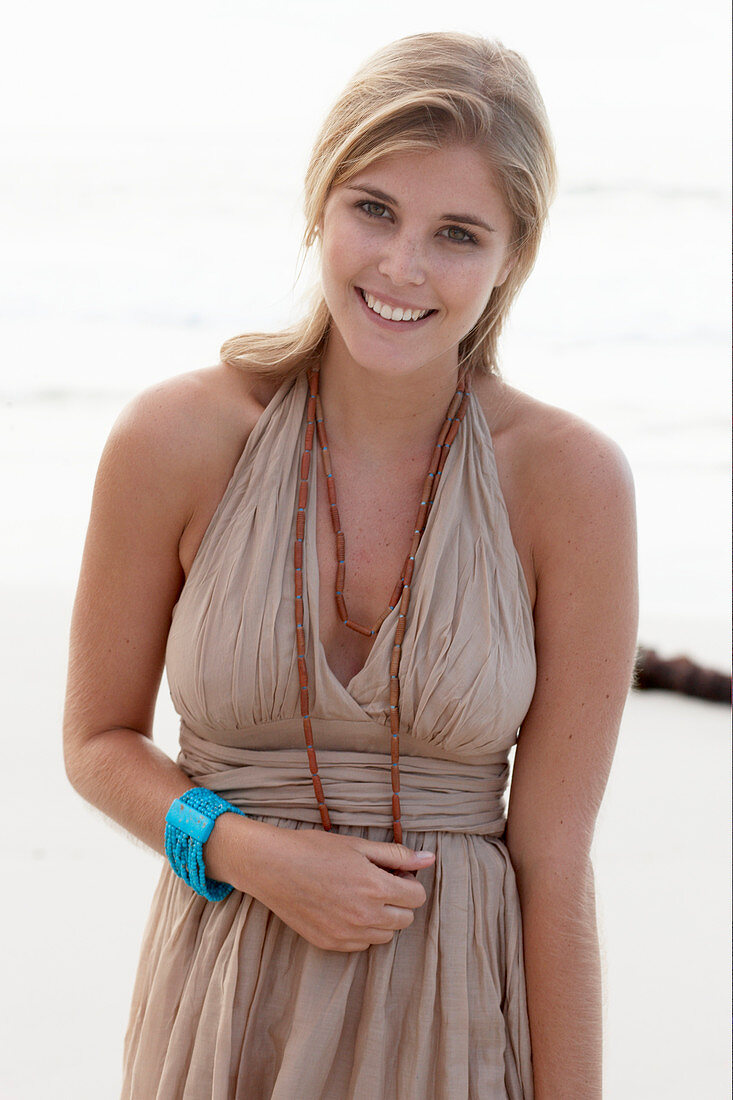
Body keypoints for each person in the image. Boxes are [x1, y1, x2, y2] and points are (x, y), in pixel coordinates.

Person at [63, 31, 638, 1099]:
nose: (402, 267)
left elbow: (553, 864)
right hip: (226, 1001)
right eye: (373, 209)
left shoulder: (569, 483)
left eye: (456, 233)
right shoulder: (177, 437)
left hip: (456, 1018)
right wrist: (243, 849)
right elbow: (96, 740)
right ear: (319, 204)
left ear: (513, 256)